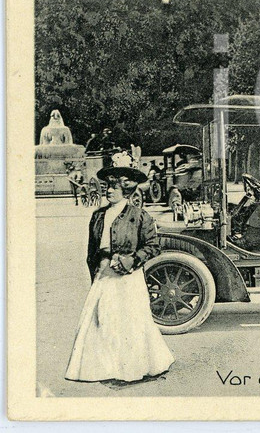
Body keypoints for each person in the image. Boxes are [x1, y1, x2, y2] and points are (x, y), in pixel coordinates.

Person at [65, 163, 174, 383]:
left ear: (126, 191)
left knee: (130, 320)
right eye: (107, 187)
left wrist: (131, 260)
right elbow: (92, 250)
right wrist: (97, 270)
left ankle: (133, 367)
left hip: (129, 276)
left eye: (114, 187)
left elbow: (153, 246)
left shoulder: (140, 216)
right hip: (104, 273)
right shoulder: (98, 216)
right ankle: (105, 367)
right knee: (102, 318)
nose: (109, 191)